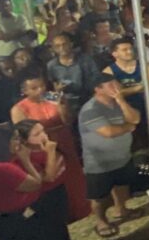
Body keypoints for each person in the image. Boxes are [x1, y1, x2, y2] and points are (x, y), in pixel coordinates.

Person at [10, 73, 91, 221]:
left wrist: (61, 106)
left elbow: (68, 120)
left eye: (42, 86)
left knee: (72, 173)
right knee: (54, 177)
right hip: (40, 145)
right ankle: (63, 212)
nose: (40, 90)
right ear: (24, 90)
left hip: (63, 138)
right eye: (34, 88)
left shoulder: (52, 97)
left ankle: (80, 207)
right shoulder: (19, 108)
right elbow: (23, 133)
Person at [79, 73, 141, 238]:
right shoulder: (90, 109)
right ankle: (100, 221)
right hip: (100, 163)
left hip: (122, 157)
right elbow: (108, 132)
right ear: (98, 89)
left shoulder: (118, 103)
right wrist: (128, 127)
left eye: (117, 84)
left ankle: (121, 209)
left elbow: (135, 118)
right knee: (99, 196)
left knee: (122, 185)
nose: (117, 88)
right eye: (111, 85)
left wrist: (121, 101)